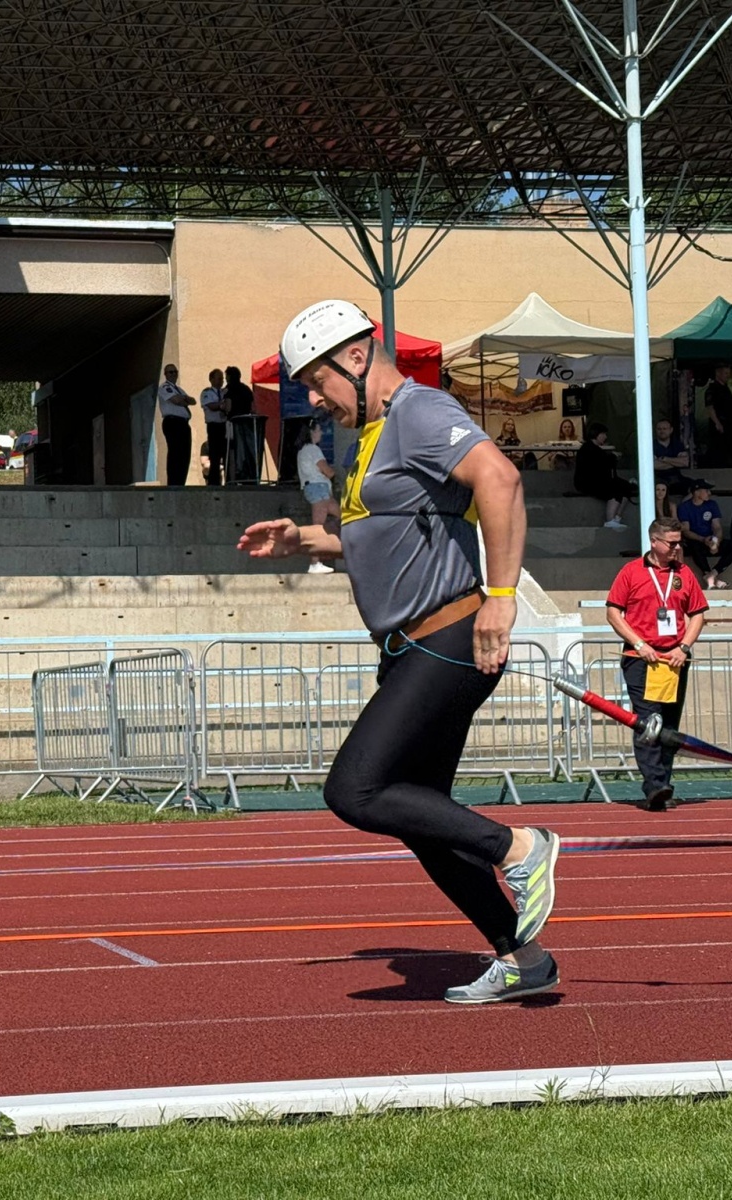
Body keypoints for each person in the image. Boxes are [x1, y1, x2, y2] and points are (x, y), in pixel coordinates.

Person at [238, 298, 562, 1006]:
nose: (317, 403)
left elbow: (500, 480)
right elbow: (377, 534)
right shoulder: (372, 436)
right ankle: (522, 957)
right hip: (411, 645)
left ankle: (521, 848)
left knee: (355, 790)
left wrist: (503, 597)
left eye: (317, 385)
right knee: (422, 817)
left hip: (448, 635)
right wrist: (305, 538)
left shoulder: (418, 411)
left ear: (354, 359)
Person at [605, 517, 709, 811]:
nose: (677, 547)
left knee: (669, 725)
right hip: (642, 660)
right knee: (649, 722)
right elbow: (614, 612)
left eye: (679, 542)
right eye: (672, 543)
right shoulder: (631, 572)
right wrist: (639, 643)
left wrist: (684, 647)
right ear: (654, 542)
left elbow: (698, 614)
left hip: (674, 660)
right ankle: (654, 786)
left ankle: (663, 782)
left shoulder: (684, 573)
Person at [573, 423, 636, 531]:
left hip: (596, 481)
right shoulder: (589, 449)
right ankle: (610, 520)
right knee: (615, 489)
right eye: (603, 434)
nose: (605, 437)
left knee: (626, 486)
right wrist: (612, 457)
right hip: (588, 483)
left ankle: (617, 518)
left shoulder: (593, 449)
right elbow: (599, 466)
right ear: (596, 434)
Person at [295, 421, 337, 574]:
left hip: (314, 488)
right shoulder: (313, 449)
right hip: (318, 488)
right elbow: (327, 471)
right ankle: (314, 562)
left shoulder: (302, 451)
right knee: (318, 527)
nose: (321, 433)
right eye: (319, 430)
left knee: (344, 518)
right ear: (311, 432)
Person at [677, 479, 724, 584]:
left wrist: (716, 541)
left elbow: (717, 526)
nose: (709, 493)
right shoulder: (684, 507)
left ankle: (714, 573)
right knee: (694, 546)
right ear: (697, 492)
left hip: (711, 539)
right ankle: (707, 574)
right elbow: (686, 531)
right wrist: (703, 539)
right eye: (706, 490)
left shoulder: (712, 504)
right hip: (696, 540)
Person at [157, 364, 194, 487]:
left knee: (184, 453)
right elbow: (176, 401)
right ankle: (173, 482)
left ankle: (181, 482)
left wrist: (184, 398)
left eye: (174, 372)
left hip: (183, 422)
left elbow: (193, 401)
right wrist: (184, 399)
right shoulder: (164, 387)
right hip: (173, 422)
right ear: (165, 374)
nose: (173, 374)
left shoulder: (179, 390)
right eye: (170, 372)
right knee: (175, 452)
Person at [701, 364, 732, 467]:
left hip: (731, 422)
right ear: (718, 373)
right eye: (726, 373)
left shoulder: (726, 389)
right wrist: (717, 423)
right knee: (719, 448)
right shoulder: (712, 389)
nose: (728, 376)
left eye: (729, 373)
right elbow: (710, 407)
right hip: (720, 422)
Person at [200, 368, 227, 487]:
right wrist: (222, 405)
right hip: (214, 426)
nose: (221, 380)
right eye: (219, 378)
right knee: (214, 455)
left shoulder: (225, 392)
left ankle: (227, 480)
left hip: (224, 425)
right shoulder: (207, 393)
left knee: (226, 453)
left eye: (222, 378)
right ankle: (214, 481)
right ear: (211, 379)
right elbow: (211, 406)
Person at [652, 417, 690, 487]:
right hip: (656, 478)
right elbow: (652, 465)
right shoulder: (650, 446)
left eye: (664, 429)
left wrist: (665, 459)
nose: (662, 431)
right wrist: (675, 463)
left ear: (671, 430)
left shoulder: (678, 445)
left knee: (695, 486)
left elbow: (685, 462)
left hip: (676, 478)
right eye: (659, 429)